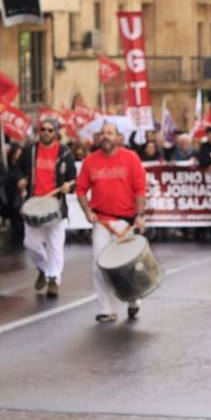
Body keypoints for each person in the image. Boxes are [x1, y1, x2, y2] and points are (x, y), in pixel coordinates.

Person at [74, 121, 148, 324]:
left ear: (118, 137)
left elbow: (140, 188)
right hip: (102, 220)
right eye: (103, 133)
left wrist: (140, 215)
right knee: (99, 265)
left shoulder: (131, 158)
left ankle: (133, 299)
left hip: (125, 221)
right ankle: (106, 309)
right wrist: (87, 211)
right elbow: (80, 189)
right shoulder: (90, 161)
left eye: (110, 133)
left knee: (126, 266)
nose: (105, 136)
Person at [15, 117, 78, 298]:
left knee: (55, 244)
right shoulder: (30, 150)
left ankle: (53, 280)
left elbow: (73, 179)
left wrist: (68, 186)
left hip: (55, 204)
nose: (46, 133)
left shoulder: (65, 153)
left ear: (56, 132)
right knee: (30, 243)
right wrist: (20, 179)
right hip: (34, 203)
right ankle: (44, 268)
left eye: (50, 130)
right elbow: (16, 169)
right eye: (43, 129)